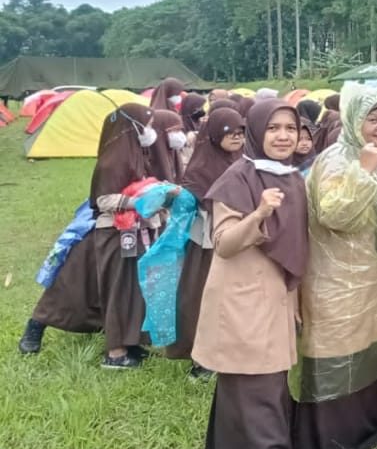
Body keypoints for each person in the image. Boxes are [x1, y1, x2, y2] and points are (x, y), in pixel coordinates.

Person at [293, 84, 377, 449]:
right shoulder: (334, 160)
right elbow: (334, 215)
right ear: (354, 120)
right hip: (334, 281)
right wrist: (363, 171)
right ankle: (332, 438)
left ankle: (373, 428)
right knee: (337, 349)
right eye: (373, 119)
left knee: (372, 349)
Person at [194, 99, 308, 449]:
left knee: (260, 391)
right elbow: (224, 243)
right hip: (243, 304)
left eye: (290, 128)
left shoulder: (291, 177)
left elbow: (296, 246)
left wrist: (296, 299)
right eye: (273, 128)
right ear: (256, 132)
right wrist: (258, 214)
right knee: (256, 393)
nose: (283, 136)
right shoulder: (239, 177)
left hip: (276, 301)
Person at [18, 104, 156, 358]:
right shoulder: (112, 162)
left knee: (109, 289)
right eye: (147, 125)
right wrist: (138, 202)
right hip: (100, 232)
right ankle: (35, 326)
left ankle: (124, 338)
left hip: (127, 230)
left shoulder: (138, 154)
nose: (150, 130)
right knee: (71, 284)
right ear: (132, 127)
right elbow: (103, 199)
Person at [166, 107, 245, 372]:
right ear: (214, 134)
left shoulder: (243, 161)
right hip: (206, 244)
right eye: (230, 132)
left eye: (241, 132)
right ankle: (201, 358)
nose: (237, 137)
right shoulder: (200, 168)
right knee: (202, 298)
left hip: (238, 241)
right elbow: (192, 202)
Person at [150, 109, 187, 183]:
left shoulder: (173, 152)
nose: (179, 134)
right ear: (160, 131)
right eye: (175, 130)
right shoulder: (147, 159)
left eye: (180, 130)